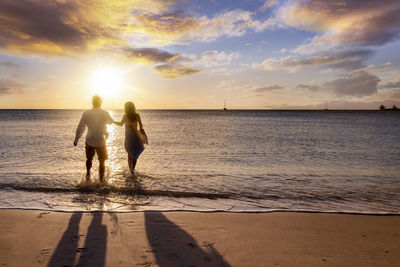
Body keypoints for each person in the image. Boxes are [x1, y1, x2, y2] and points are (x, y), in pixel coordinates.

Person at [74, 95, 114, 181]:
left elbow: (81, 126)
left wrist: (76, 139)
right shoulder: (105, 113)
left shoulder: (86, 113)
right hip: (100, 140)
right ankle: (101, 180)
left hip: (89, 139)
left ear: (92, 102)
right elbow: (111, 121)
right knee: (102, 161)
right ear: (100, 102)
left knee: (89, 159)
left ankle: (88, 174)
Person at [114, 101, 146, 174]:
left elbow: (121, 124)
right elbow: (140, 125)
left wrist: (113, 121)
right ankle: (132, 170)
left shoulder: (131, 115)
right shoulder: (131, 115)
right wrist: (113, 121)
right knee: (133, 152)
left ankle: (131, 170)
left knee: (131, 153)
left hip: (131, 136)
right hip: (132, 136)